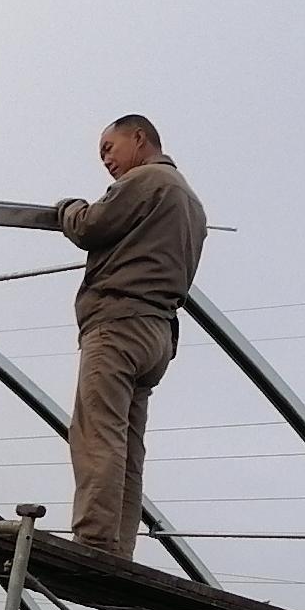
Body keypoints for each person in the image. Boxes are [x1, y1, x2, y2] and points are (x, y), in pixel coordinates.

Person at [53, 113, 208, 558]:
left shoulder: (147, 181)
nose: (105, 161)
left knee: (96, 434)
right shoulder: (192, 205)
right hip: (157, 333)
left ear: (139, 139)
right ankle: (118, 547)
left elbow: (89, 226)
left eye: (109, 148)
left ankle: (95, 541)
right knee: (127, 444)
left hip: (117, 325)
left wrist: (67, 207)